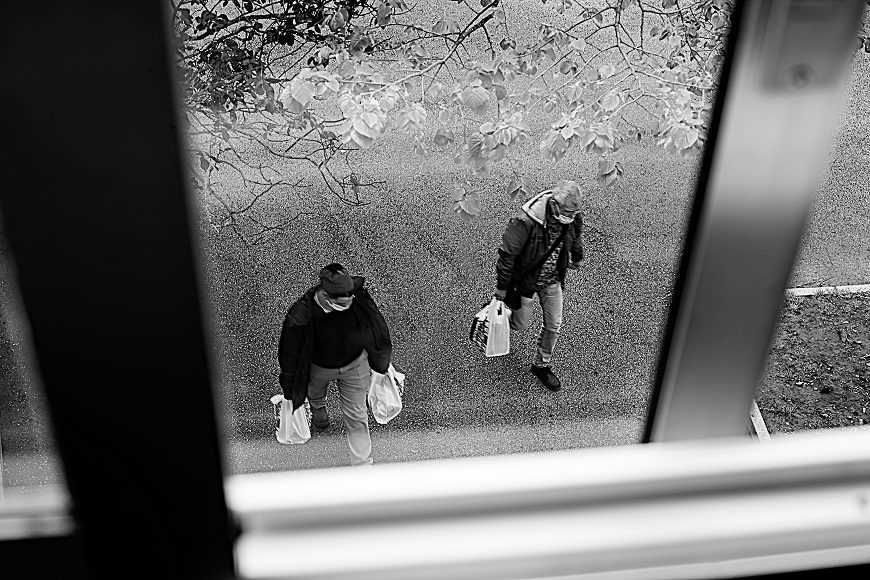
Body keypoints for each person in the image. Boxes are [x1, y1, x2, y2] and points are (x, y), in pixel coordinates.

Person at [278, 263, 392, 466]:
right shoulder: (302, 314)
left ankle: (362, 465)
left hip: (355, 365)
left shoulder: (357, 297)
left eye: (350, 300)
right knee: (315, 394)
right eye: (342, 303)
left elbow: (377, 326)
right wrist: (289, 389)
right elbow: (289, 352)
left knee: (357, 416)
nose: (348, 305)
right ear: (326, 296)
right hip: (318, 368)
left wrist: (381, 363)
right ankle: (318, 409)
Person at [493, 180, 584, 391]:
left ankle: (541, 365)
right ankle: (498, 316)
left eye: (575, 212)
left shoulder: (572, 217)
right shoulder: (524, 222)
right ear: (554, 204)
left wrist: (577, 256)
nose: (571, 217)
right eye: (568, 212)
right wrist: (501, 290)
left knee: (554, 326)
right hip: (526, 281)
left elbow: (576, 236)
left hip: (552, 280)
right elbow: (507, 256)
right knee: (519, 325)